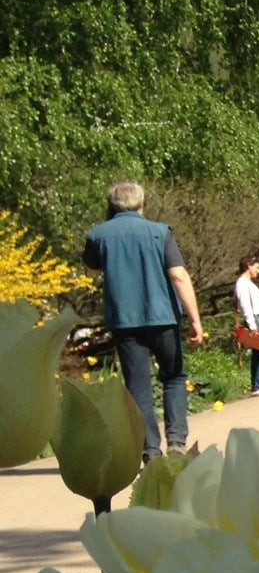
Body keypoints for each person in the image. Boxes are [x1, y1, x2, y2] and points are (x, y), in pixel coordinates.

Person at [83, 181, 205, 459]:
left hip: (124, 321)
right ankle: (176, 441)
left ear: (111, 206)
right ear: (142, 203)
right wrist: (195, 319)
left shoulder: (98, 235)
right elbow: (179, 276)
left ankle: (150, 447)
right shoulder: (159, 232)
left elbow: (91, 270)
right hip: (162, 317)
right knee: (173, 377)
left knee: (138, 385)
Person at [233, 255, 259, 397]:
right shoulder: (242, 283)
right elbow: (244, 305)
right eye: (256, 267)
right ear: (248, 266)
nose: (258, 271)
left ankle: (256, 386)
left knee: (258, 353)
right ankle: (258, 385)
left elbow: (256, 304)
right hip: (255, 321)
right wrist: (252, 324)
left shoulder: (249, 284)